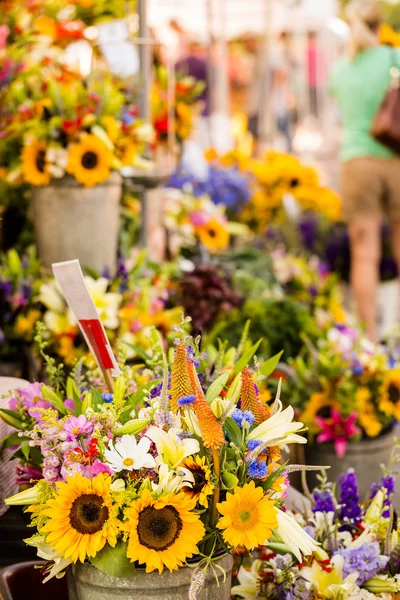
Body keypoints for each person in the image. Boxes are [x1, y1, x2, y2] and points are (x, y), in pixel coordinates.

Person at [330, 0, 400, 341]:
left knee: (364, 252)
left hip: (356, 162)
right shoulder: (394, 57)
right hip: (396, 159)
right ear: (378, 26)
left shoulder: (339, 70)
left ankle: (369, 340)